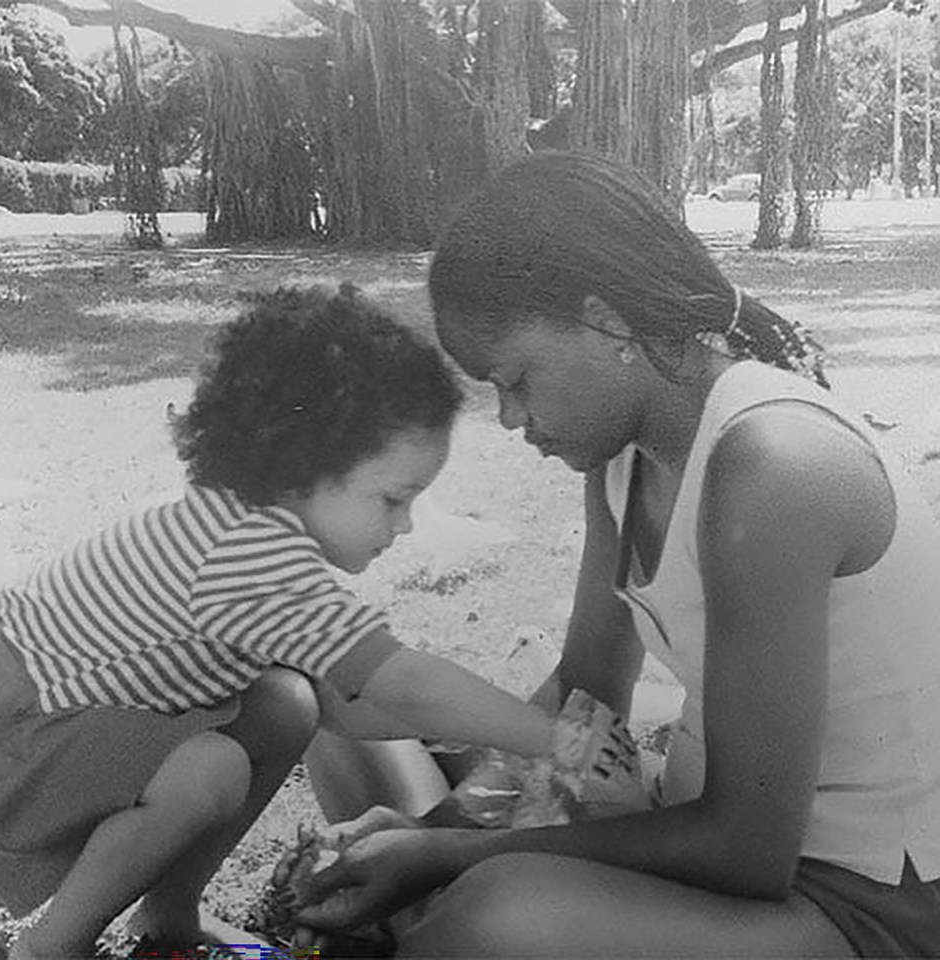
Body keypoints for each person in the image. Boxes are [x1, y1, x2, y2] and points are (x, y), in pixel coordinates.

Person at [296, 152, 940, 958]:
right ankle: (425, 916)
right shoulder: (624, 455)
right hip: (699, 836)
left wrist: (451, 857)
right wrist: (437, 828)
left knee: (498, 911)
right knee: (348, 726)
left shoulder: (773, 465)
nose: (508, 417)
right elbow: (589, 699)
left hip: (860, 902)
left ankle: (436, 924)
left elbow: (749, 849)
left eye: (518, 380)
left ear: (607, 323)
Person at [0, 285, 556, 960]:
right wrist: (555, 739)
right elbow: (394, 685)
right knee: (210, 768)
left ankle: (168, 914)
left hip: (51, 737)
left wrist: (486, 742)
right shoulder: (250, 554)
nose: (403, 527)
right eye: (393, 499)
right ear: (302, 469)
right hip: (10, 755)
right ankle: (51, 949)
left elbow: (350, 712)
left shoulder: (242, 523)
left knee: (286, 703)